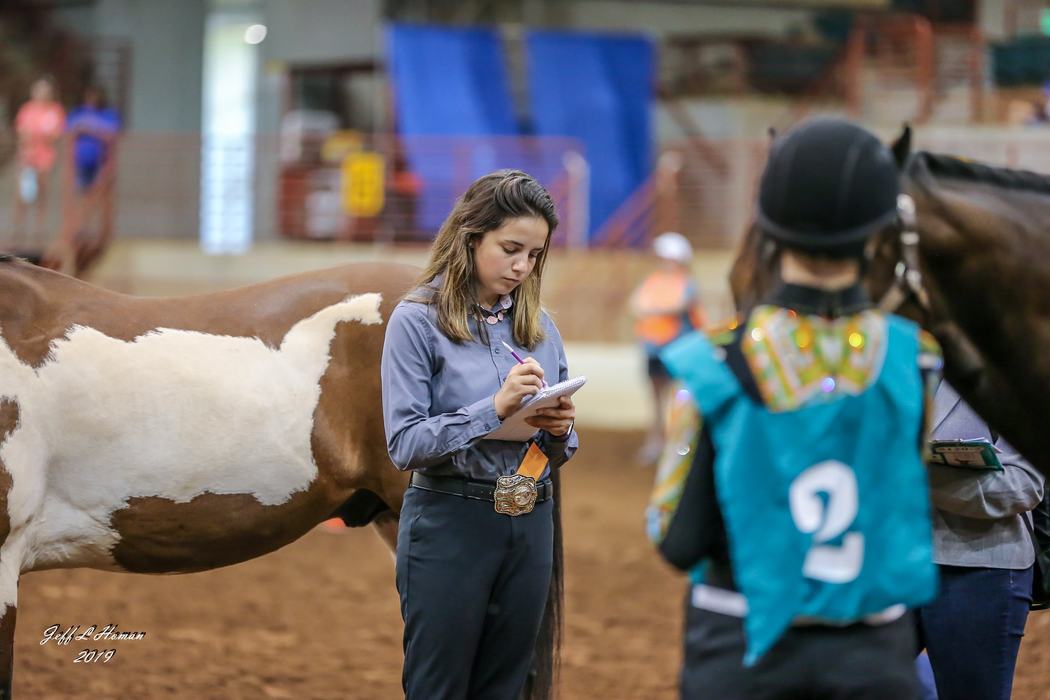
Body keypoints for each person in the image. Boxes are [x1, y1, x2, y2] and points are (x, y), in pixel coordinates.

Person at [647, 116, 941, 699]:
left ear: (767, 229)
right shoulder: (915, 359)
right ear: (878, 235)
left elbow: (677, 539)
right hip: (874, 658)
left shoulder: (712, 360)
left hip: (743, 649)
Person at [381, 169, 578, 699]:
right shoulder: (416, 322)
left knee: (506, 687)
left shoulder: (542, 328)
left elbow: (560, 449)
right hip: (450, 523)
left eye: (534, 255)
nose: (522, 267)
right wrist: (493, 409)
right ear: (470, 238)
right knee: (438, 688)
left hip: (531, 522)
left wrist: (559, 430)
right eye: (510, 249)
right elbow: (405, 444)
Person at [914, 381, 1044, 700]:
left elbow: (1024, 484)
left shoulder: (1005, 375)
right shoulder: (877, 364)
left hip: (980, 568)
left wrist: (915, 477)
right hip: (886, 563)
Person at [629, 231, 705, 466]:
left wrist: (652, 309)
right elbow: (636, 304)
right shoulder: (654, 281)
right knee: (656, 398)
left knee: (679, 398)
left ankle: (678, 445)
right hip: (654, 349)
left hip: (677, 351)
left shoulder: (686, 283)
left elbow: (679, 306)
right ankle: (656, 443)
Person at [44, 85, 121, 276]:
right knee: (80, 200)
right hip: (79, 165)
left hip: (100, 165)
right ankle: (77, 231)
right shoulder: (77, 113)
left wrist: (88, 128)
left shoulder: (108, 115)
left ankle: (80, 231)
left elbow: (111, 134)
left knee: (94, 200)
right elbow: (69, 129)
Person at [12, 77, 65, 247]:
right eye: (39, 90)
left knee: (42, 193)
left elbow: (54, 135)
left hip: (45, 157)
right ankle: (18, 229)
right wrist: (28, 146)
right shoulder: (27, 109)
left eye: (45, 90)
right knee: (22, 194)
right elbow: (22, 132)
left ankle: (39, 230)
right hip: (27, 156)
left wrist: (38, 137)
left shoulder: (55, 110)